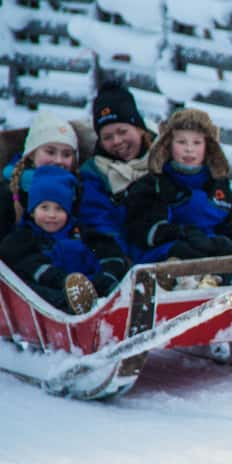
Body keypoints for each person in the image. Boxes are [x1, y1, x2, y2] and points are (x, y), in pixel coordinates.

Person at [123, 108, 232, 270]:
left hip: (213, 250)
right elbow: (144, 228)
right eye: (181, 142)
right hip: (167, 252)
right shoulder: (155, 184)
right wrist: (183, 232)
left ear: (208, 146)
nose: (189, 149)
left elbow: (226, 220)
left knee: (231, 250)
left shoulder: (217, 185)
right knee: (185, 254)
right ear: (168, 145)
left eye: (196, 142)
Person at [0, 166, 127, 314]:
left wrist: (107, 275)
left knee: (112, 278)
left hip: (89, 287)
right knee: (31, 290)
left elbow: (107, 251)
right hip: (51, 296)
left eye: (59, 208)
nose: (51, 215)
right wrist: (63, 281)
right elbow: (27, 263)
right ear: (33, 212)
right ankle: (74, 305)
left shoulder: (80, 233)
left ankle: (121, 298)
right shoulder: (25, 238)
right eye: (44, 207)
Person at [78, 81, 156, 259]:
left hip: (167, 249)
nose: (117, 141)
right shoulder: (94, 173)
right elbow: (98, 221)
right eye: (107, 137)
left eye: (122, 131)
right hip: (122, 258)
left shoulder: (162, 160)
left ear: (139, 128)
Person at [0, 111, 80, 239]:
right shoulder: (8, 191)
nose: (58, 160)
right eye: (50, 152)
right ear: (31, 154)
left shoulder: (78, 189)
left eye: (66, 154)